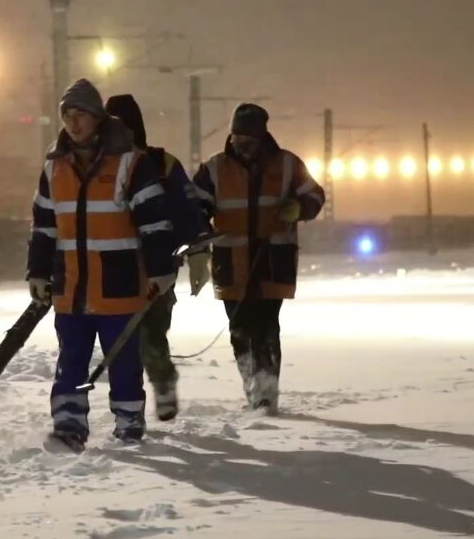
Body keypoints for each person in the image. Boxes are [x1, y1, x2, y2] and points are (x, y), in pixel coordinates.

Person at [27, 79, 177, 451]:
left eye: (80, 115)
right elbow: (44, 224)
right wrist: (38, 271)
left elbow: (155, 221)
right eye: (67, 116)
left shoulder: (129, 161)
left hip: (120, 285)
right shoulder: (54, 166)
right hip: (72, 286)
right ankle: (69, 426)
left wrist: (161, 269)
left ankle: (129, 425)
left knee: (123, 362)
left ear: (97, 117)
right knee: (71, 360)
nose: (73, 124)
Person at [190, 103, 325, 415]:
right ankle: (253, 384)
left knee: (265, 326)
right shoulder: (214, 168)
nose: (241, 145)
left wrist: (298, 207)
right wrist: (198, 234)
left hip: (272, 258)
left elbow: (316, 196)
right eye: (237, 137)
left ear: (262, 137)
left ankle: (265, 391)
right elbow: (194, 205)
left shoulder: (288, 164)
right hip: (230, 262)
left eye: (248, 139)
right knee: (239, 328)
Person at [104, 94, 209, 422]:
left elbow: (189, 211)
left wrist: (198, 251)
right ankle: (130, 406)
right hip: (109, 269)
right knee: (120, 342)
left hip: (156, 268)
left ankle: (162, 380)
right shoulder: (98, 166)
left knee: (151, 333)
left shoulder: (163, 165)